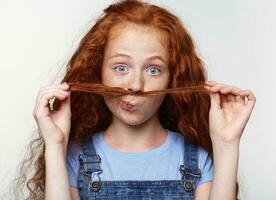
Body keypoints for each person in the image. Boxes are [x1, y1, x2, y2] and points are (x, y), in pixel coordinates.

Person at [17, 0, 255, 199]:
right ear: (97, 70)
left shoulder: (197, 160)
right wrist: (55, 145)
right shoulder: (75, 158)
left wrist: (226, 145)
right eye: (121, 67)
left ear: (172, 78)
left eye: (153, 70)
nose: (135, 85)